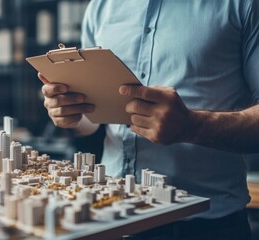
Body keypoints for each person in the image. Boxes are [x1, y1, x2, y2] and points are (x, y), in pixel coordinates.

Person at [38, 1, 259, 239]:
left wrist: (192, 127)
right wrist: (73, 115)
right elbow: (93, 119)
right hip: (109, 216)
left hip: (206, 227)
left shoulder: (243, 5)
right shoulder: (100, 6)